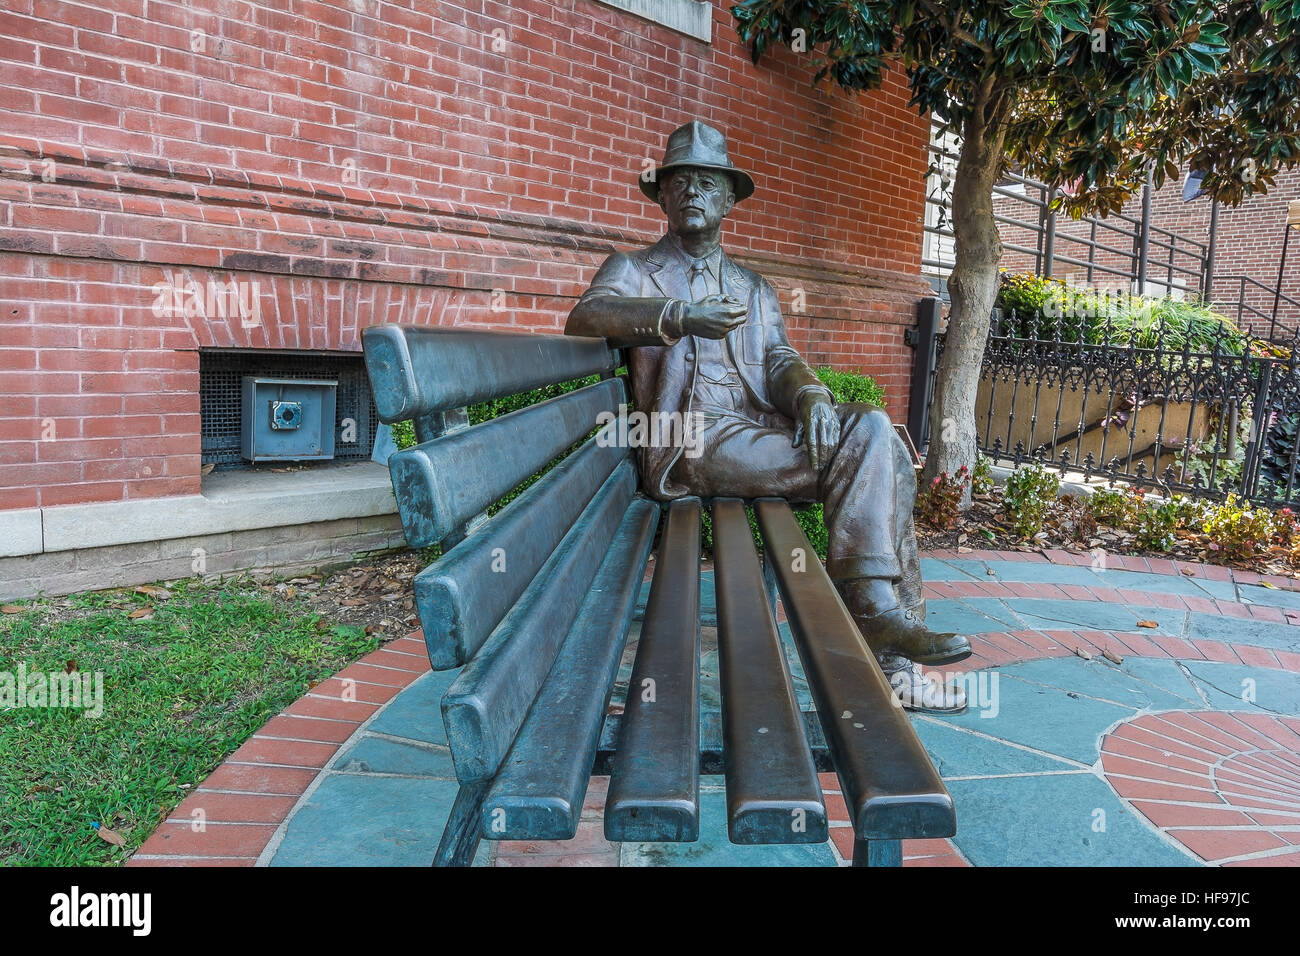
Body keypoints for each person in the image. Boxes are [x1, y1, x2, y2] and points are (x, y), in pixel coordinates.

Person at [566, 121, 969, 711]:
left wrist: (810, 394)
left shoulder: (753, 287)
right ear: (663, 196)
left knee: (877, 435)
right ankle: (886, 643)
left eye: (708, 183)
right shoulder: (633, 269)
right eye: (680, 183)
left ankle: (886, 633)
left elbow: (779, 359)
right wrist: (680, 315)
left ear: (729, 200)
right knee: (877, 456)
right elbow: (587, 317)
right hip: (687, 439)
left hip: (753, 430)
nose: (693, 193)